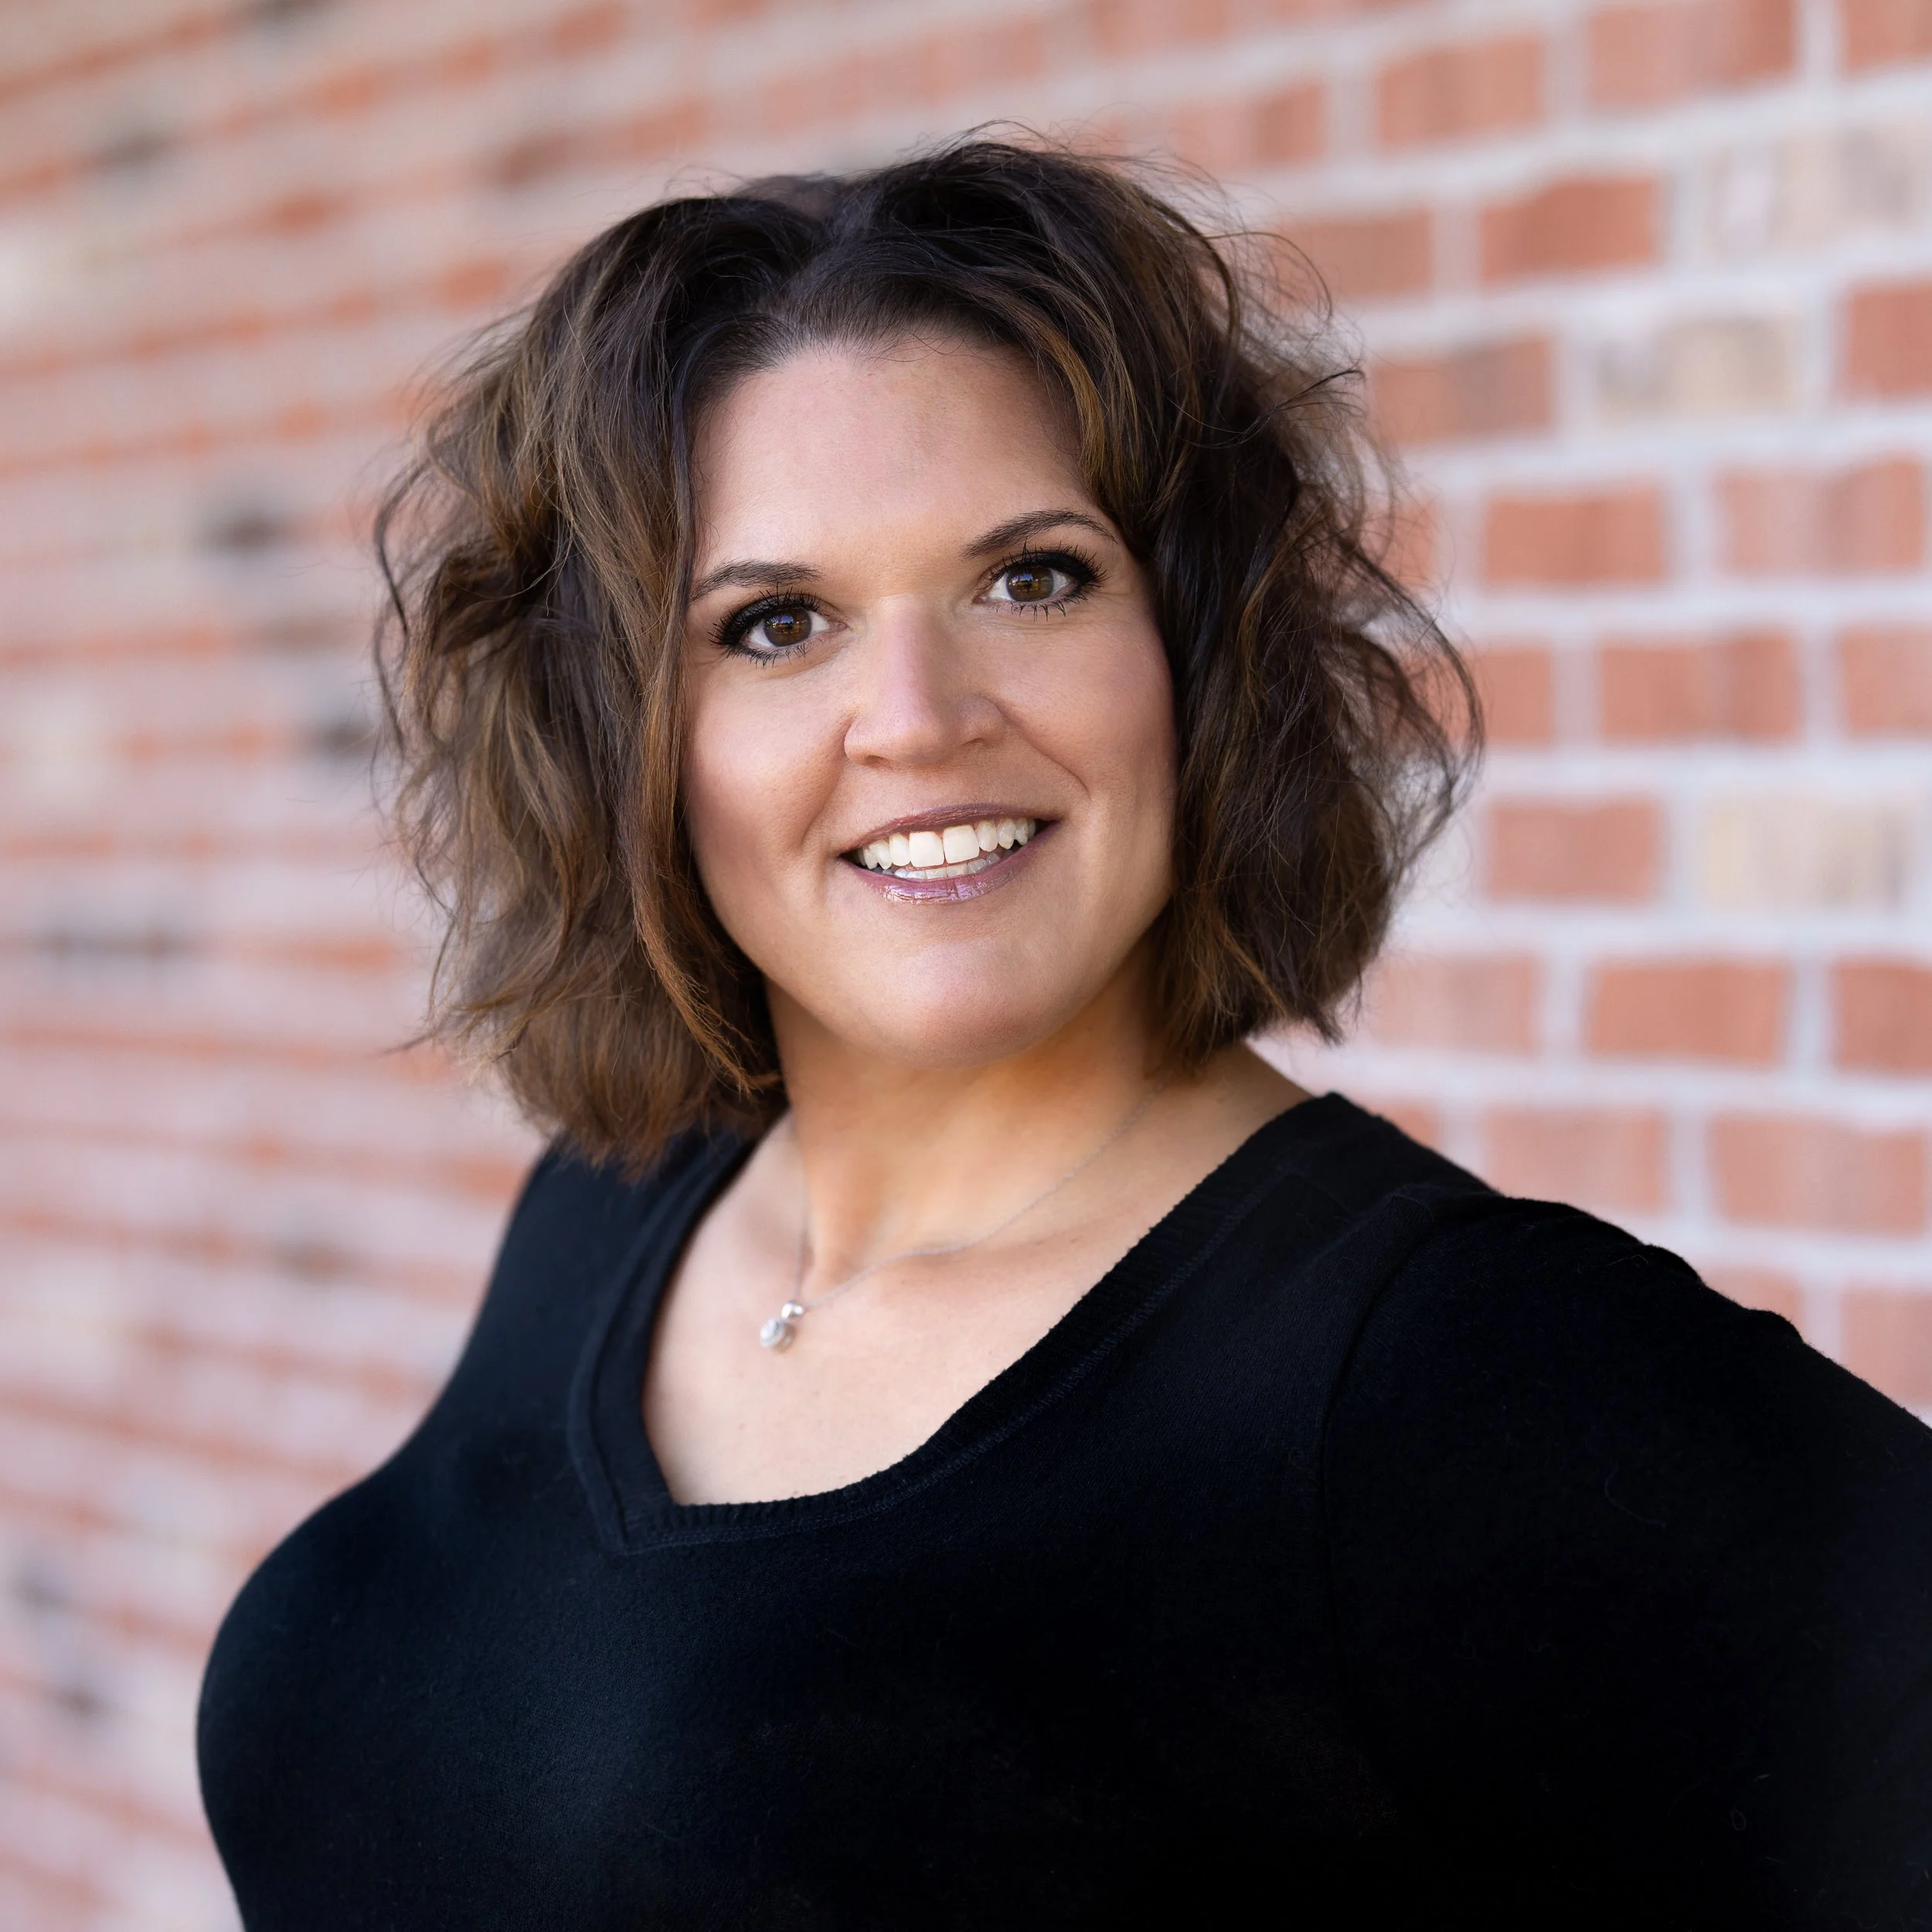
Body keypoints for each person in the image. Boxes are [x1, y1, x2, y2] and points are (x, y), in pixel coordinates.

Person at [196, 138, 1932, 1928]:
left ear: (1191, 647)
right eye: (774, 625)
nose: (918, 718)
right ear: (627, 741)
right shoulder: (619, 1199)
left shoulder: (1448, 1375)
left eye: (1030, 579)